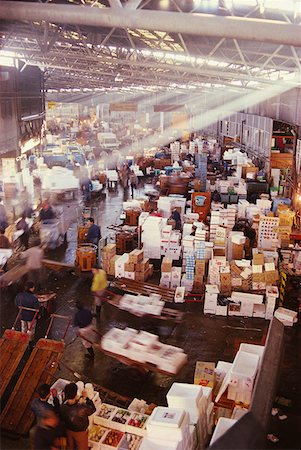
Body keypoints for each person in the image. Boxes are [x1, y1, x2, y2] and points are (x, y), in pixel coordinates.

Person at [60, 382, 96, 450]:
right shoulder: (81, 408)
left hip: (68, 431)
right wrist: (87, 398)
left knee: (70, 447)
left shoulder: (62, 407)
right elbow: (92, 409)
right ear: (76, 394)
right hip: (80, 433)